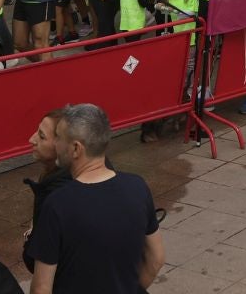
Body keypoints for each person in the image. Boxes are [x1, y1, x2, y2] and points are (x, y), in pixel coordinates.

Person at [29, 104, 164, 294]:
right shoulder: (138, 187)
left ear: (76, 148)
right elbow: (156, 259)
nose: (56, 144)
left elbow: (41, 288)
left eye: (58, 137)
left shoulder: (58, 204)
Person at [22, 111, 70, 274]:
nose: (32, 139)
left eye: (42, 137)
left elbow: (37, 265)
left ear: (64, 146)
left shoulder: (56, 196)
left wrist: (30, 239)